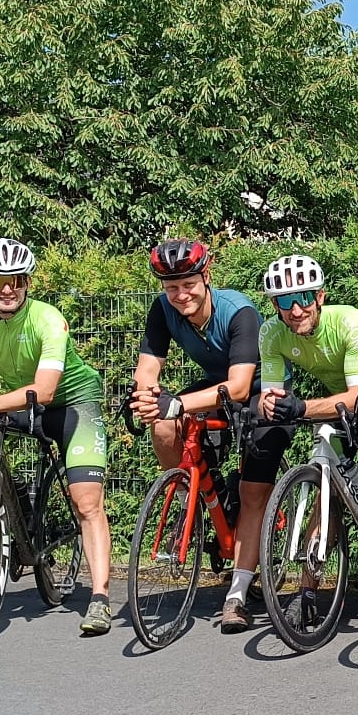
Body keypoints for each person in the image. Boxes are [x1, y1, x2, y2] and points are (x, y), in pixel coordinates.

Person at [0, 238, 117, 636]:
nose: (8, 289)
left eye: (16, 280)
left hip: (73, 404)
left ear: (28, 282)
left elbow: (45, 390)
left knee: (86, 502)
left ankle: (100, 597)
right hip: (19, 402)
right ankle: (4, 494)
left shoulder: (47, 318)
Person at [126, 238, 269, 634]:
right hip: (212, 385)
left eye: (188, 284)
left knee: (253, 488)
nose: (180, 295)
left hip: (256, 388)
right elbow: (147, 370)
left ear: (207, 277)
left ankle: (238, 593)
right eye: (171, 287)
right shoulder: (163, 309)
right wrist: (146, 398)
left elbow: (239, 387)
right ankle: (189, 492)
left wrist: (178, 403)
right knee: (163, 422)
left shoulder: (238, 311)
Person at [256, 254, 358, 629]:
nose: (296, 310)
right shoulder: (271, 333)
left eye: (304, 297)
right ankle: (307, 593)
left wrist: (302, 407)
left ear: (320, 296)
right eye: (285, 301)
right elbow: (271, 393)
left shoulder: (349, 322)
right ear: (275, 305)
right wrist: (268, 402)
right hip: (331, 408)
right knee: (325, 493)